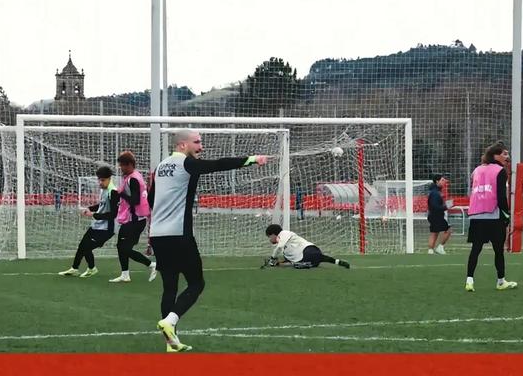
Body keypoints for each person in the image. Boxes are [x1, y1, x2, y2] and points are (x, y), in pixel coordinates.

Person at [149, 130, 268, 352]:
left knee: (169, 287)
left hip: (158, 235)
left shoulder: (160, 168)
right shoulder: (187, 163)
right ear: (182, 145)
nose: (201, 147)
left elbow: (151, 199)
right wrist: (252, 159)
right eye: (197, 142)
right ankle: (170, 321)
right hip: (179, 234)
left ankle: (171, 343)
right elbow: (217, 165)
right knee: (196, 283)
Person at [465, 143, 517, 292]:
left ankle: (469, 280)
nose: (507, 156)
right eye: (504, 154)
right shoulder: (500, 171)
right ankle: (501, 281)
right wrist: (506, 215)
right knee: (498, 250)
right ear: (496, 155)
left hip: (476, 215)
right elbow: (501, 196)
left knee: (476, 249)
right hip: (493, 215)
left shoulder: (476, 170)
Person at [59, 166, 119, 278]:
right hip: (97, 226)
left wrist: (93, 215)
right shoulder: (104, 191)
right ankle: (75, 269)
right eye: (99, 179)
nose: (100, 182)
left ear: (109, 178)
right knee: (82, 246)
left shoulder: (113, 192)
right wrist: (90, 209)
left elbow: (113, 215)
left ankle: (91, 268)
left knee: (86, 247)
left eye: (102, 180)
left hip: (106, 229)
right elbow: (101, 205)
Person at [109, 151, 157, 283]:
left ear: (130, 164)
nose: (121, 168)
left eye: (122, 165)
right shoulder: (132, 177)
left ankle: (151, 265)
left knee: (124, 248)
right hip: (133, 219)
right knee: (122, 247)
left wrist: (120, 193)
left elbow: (135, 200)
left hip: (134, 219)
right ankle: (125, 274)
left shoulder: (134, 179)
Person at [264, 223, 350, 269]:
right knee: (318, 258)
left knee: (315, 257)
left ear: (273, 234)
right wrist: (278, 263)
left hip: (308, 250)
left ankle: (305, 264)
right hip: (308, 257)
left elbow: (279, 247)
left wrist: (272, 258)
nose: (269, 239)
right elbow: (289, 261)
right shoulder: (285, 250)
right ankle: (337, 262)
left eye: (269, 237)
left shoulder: (284, 233)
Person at [427, 174, 452, 255]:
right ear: (437, 181)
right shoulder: (435, 193)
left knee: (434, 232)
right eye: (442, 180)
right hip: (436, 215)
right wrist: (446, 206)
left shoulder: (434, 191)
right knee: (448, 230)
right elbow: (435, 206)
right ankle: (440, 247)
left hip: (432, 215)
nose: (444, 182)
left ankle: (430, 250)